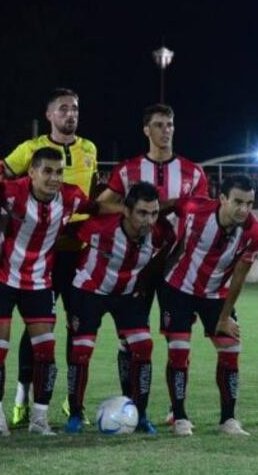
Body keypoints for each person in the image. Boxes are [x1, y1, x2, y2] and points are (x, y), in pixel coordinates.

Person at [0, 147, 96, 436]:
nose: (54, 178)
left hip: (40, 283)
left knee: (46, 352)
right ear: (31, 172)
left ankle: (40, 420)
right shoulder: (8, 192)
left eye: (58, 172)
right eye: (47, 171)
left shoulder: (73, 196)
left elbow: (99, 209)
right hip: (1, 279)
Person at [98, 104, 208, 401]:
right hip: (139, 266)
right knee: (130, 338)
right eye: (159, 125)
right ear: (146, 130)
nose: (166, 130)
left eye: (170, 124)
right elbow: (101, 204)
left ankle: (177, 410)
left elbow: (203, 215)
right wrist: (130, 209)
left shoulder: (193, 172)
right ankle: (130, 403)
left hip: (178, 267)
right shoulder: (128, 169)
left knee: (178, 341)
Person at [3, 88, 99, 426]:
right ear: (49, 115)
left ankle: (74, 404)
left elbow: (91, 197)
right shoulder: (29, 151)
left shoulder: (89, 149)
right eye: (63, 109)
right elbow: (0, 181)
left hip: (78, 255)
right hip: (39, 254)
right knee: (35, 329)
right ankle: (21, 400)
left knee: (79, 327)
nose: (70, 114)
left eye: (74, 108)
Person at [63, 182, 176, 434]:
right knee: (81, 350)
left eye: (154, 213)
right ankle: (75, 413)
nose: (149, 220)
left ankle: (141, 414)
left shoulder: (161, 233)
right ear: (126, 210)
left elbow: (164, 256)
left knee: (143, 347)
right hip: (89, 290)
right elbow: (62, 235)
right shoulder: (97, 227)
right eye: (142, 213)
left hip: (127, 294)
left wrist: (143, 284)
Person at [158, 174, 258, 437]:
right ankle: (179, 416)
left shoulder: (254, 232)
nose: (244, 209)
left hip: (216, 294)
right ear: (222, 199)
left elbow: (239, 276)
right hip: (176, 288)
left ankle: (228, 419)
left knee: (231, 348)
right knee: (179, 350)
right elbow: (168, 205)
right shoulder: (195, 209)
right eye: (238, 202)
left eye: (250, 203)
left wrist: (225, 317)